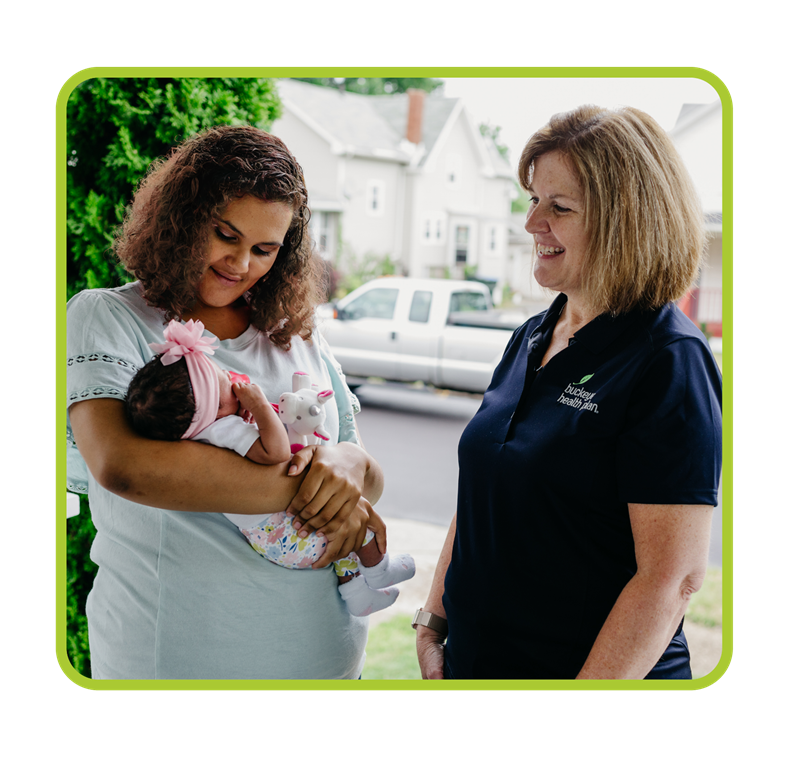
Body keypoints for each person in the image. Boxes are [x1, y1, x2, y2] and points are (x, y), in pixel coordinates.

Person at [67, 125, 387, 679]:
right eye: (226, 235)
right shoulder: (108, 316)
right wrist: (316, 489)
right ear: (183, 217)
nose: (241, 263)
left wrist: (346, 465)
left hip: (329, 665)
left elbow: (365, 472)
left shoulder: (296, 333)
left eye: (265, 249)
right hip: (177, 661)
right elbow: (123, 466)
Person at [415, 105, 723, 680]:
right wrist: (432, 621)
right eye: (533, 199)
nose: (533, 223)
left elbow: (671, 579)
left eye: (559, 208)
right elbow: (484, 496)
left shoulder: (669, 360)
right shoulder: (530, 336)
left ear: (626, 221)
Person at [125, 317, 415, 617]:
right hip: (287, 534)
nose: (233, 380)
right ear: (215, 408)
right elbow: (275, 453)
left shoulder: (201, 435)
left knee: (338, 528)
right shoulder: (223, 429)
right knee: (343, 522)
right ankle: (380, 569)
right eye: (224, 381)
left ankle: (357, 593)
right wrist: (260, 405)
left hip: (276, 541)